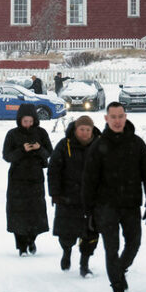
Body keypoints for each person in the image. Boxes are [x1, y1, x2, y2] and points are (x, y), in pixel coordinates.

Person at [81, 101, 146, 292]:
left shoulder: (137, 143)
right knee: (111, 248)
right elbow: (89, 180)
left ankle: (120, 270)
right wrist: (89, 211)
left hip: (131, 204)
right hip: (105, 206)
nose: (117, 121)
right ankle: (117, 290)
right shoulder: (98, 146)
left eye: (120, 116)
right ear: (106, 119)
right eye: (113, 117)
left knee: (134, 243)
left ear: (126, 117)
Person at [47, 115, 99, 277]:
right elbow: (53, 170)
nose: (85, 133)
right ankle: (67, 251)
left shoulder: (99, 145)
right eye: (82, 129)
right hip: (67, 197)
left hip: (91, 198)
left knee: (90, 233)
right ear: (76, 129)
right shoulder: (64, 145)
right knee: (66, 232)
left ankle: (85, 264)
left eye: (88, 130)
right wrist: (55, 193)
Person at [2, 103, 52, 256]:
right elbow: (7, 156)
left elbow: (49, 152)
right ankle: (21, 246)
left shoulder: (41, 133)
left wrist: (39, 149)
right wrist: (22, 150)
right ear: (20, 120)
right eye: (25, 121)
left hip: (35, 179)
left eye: (31, 121)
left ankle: (32, 239)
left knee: (36, 212)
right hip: (17, 180)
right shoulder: (12, 134)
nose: (28, 124)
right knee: (18, 213)